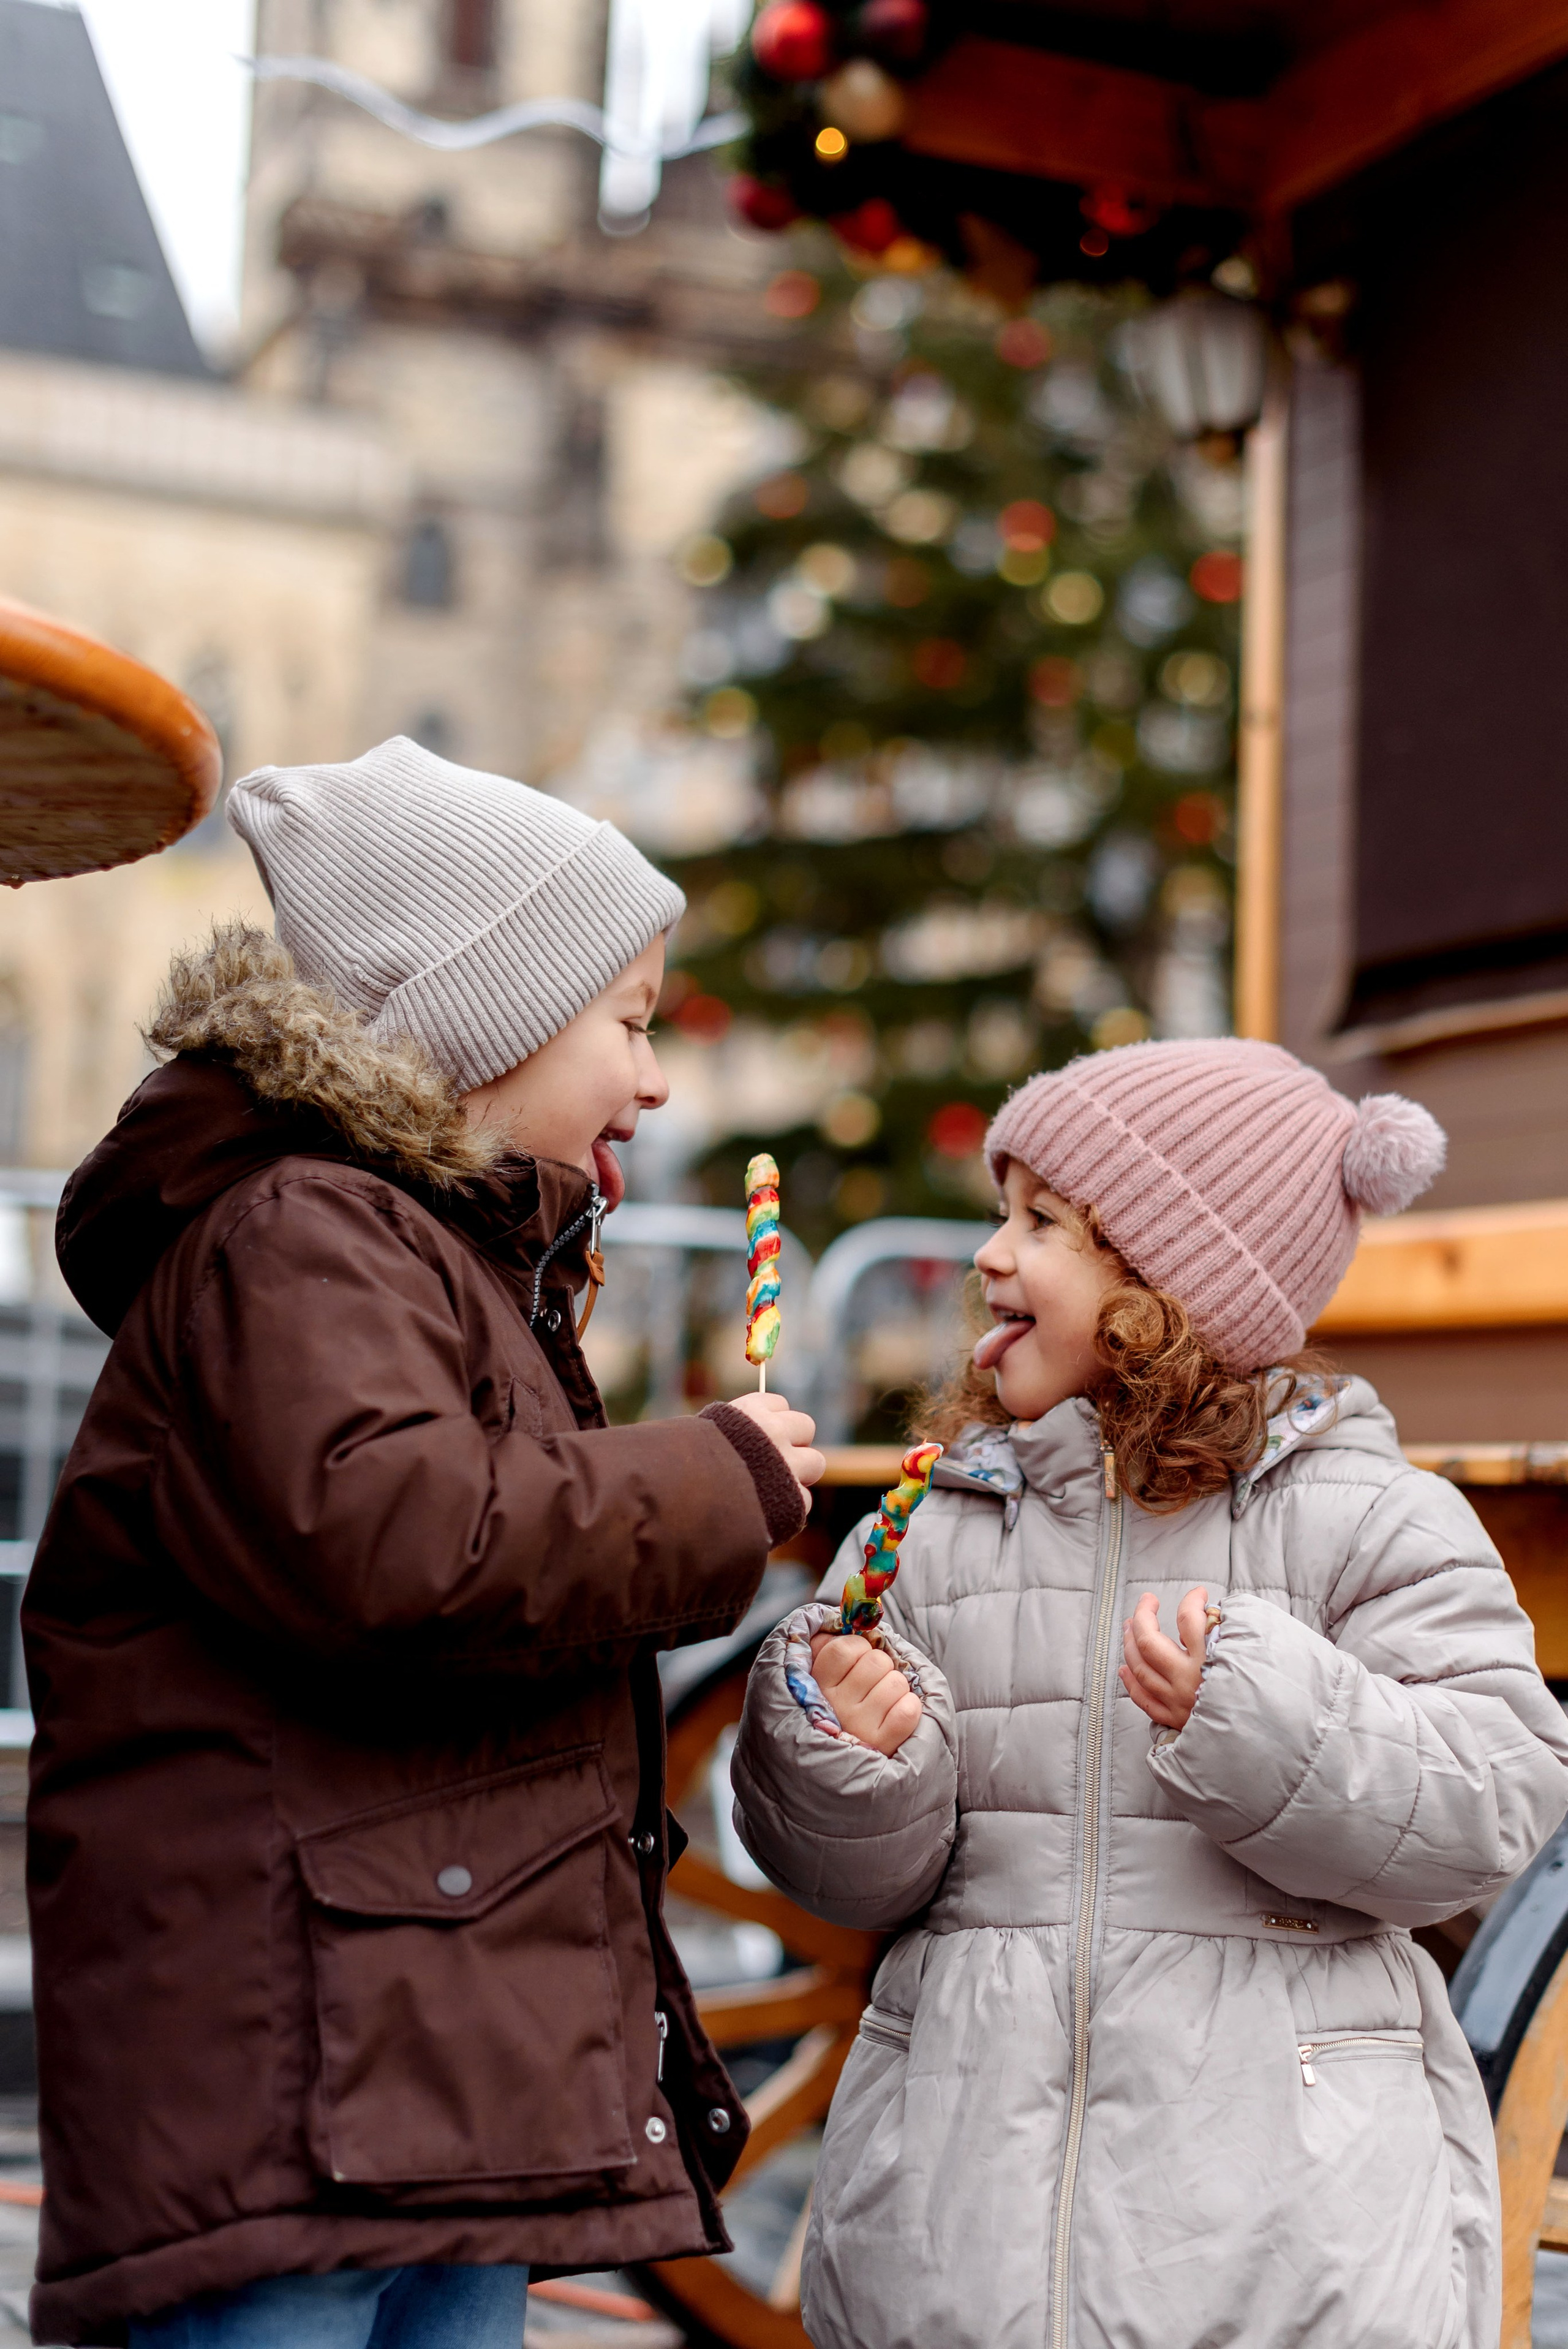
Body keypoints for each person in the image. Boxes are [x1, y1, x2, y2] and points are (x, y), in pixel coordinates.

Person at [24, 738, 823, 2349]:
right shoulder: (303, 1239)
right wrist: (714, 1478)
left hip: (410, 2063)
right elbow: (411, 1543)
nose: (656, 1081)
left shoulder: (425, 1260)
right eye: (631, 1023)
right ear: (486, 1023)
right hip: (301, 2070)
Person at [731, 1038, 1568, 2349]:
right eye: (999, 1214)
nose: (986, 1257)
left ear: (1172, 1282)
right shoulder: (937, 1526)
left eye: (1042, 1223)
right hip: (961, 2231)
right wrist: (843, 1748)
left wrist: (1265, 1717)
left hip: (1279, 2241)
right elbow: (849, 1885)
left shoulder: (1375, 1521)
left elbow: (1492, 1803)